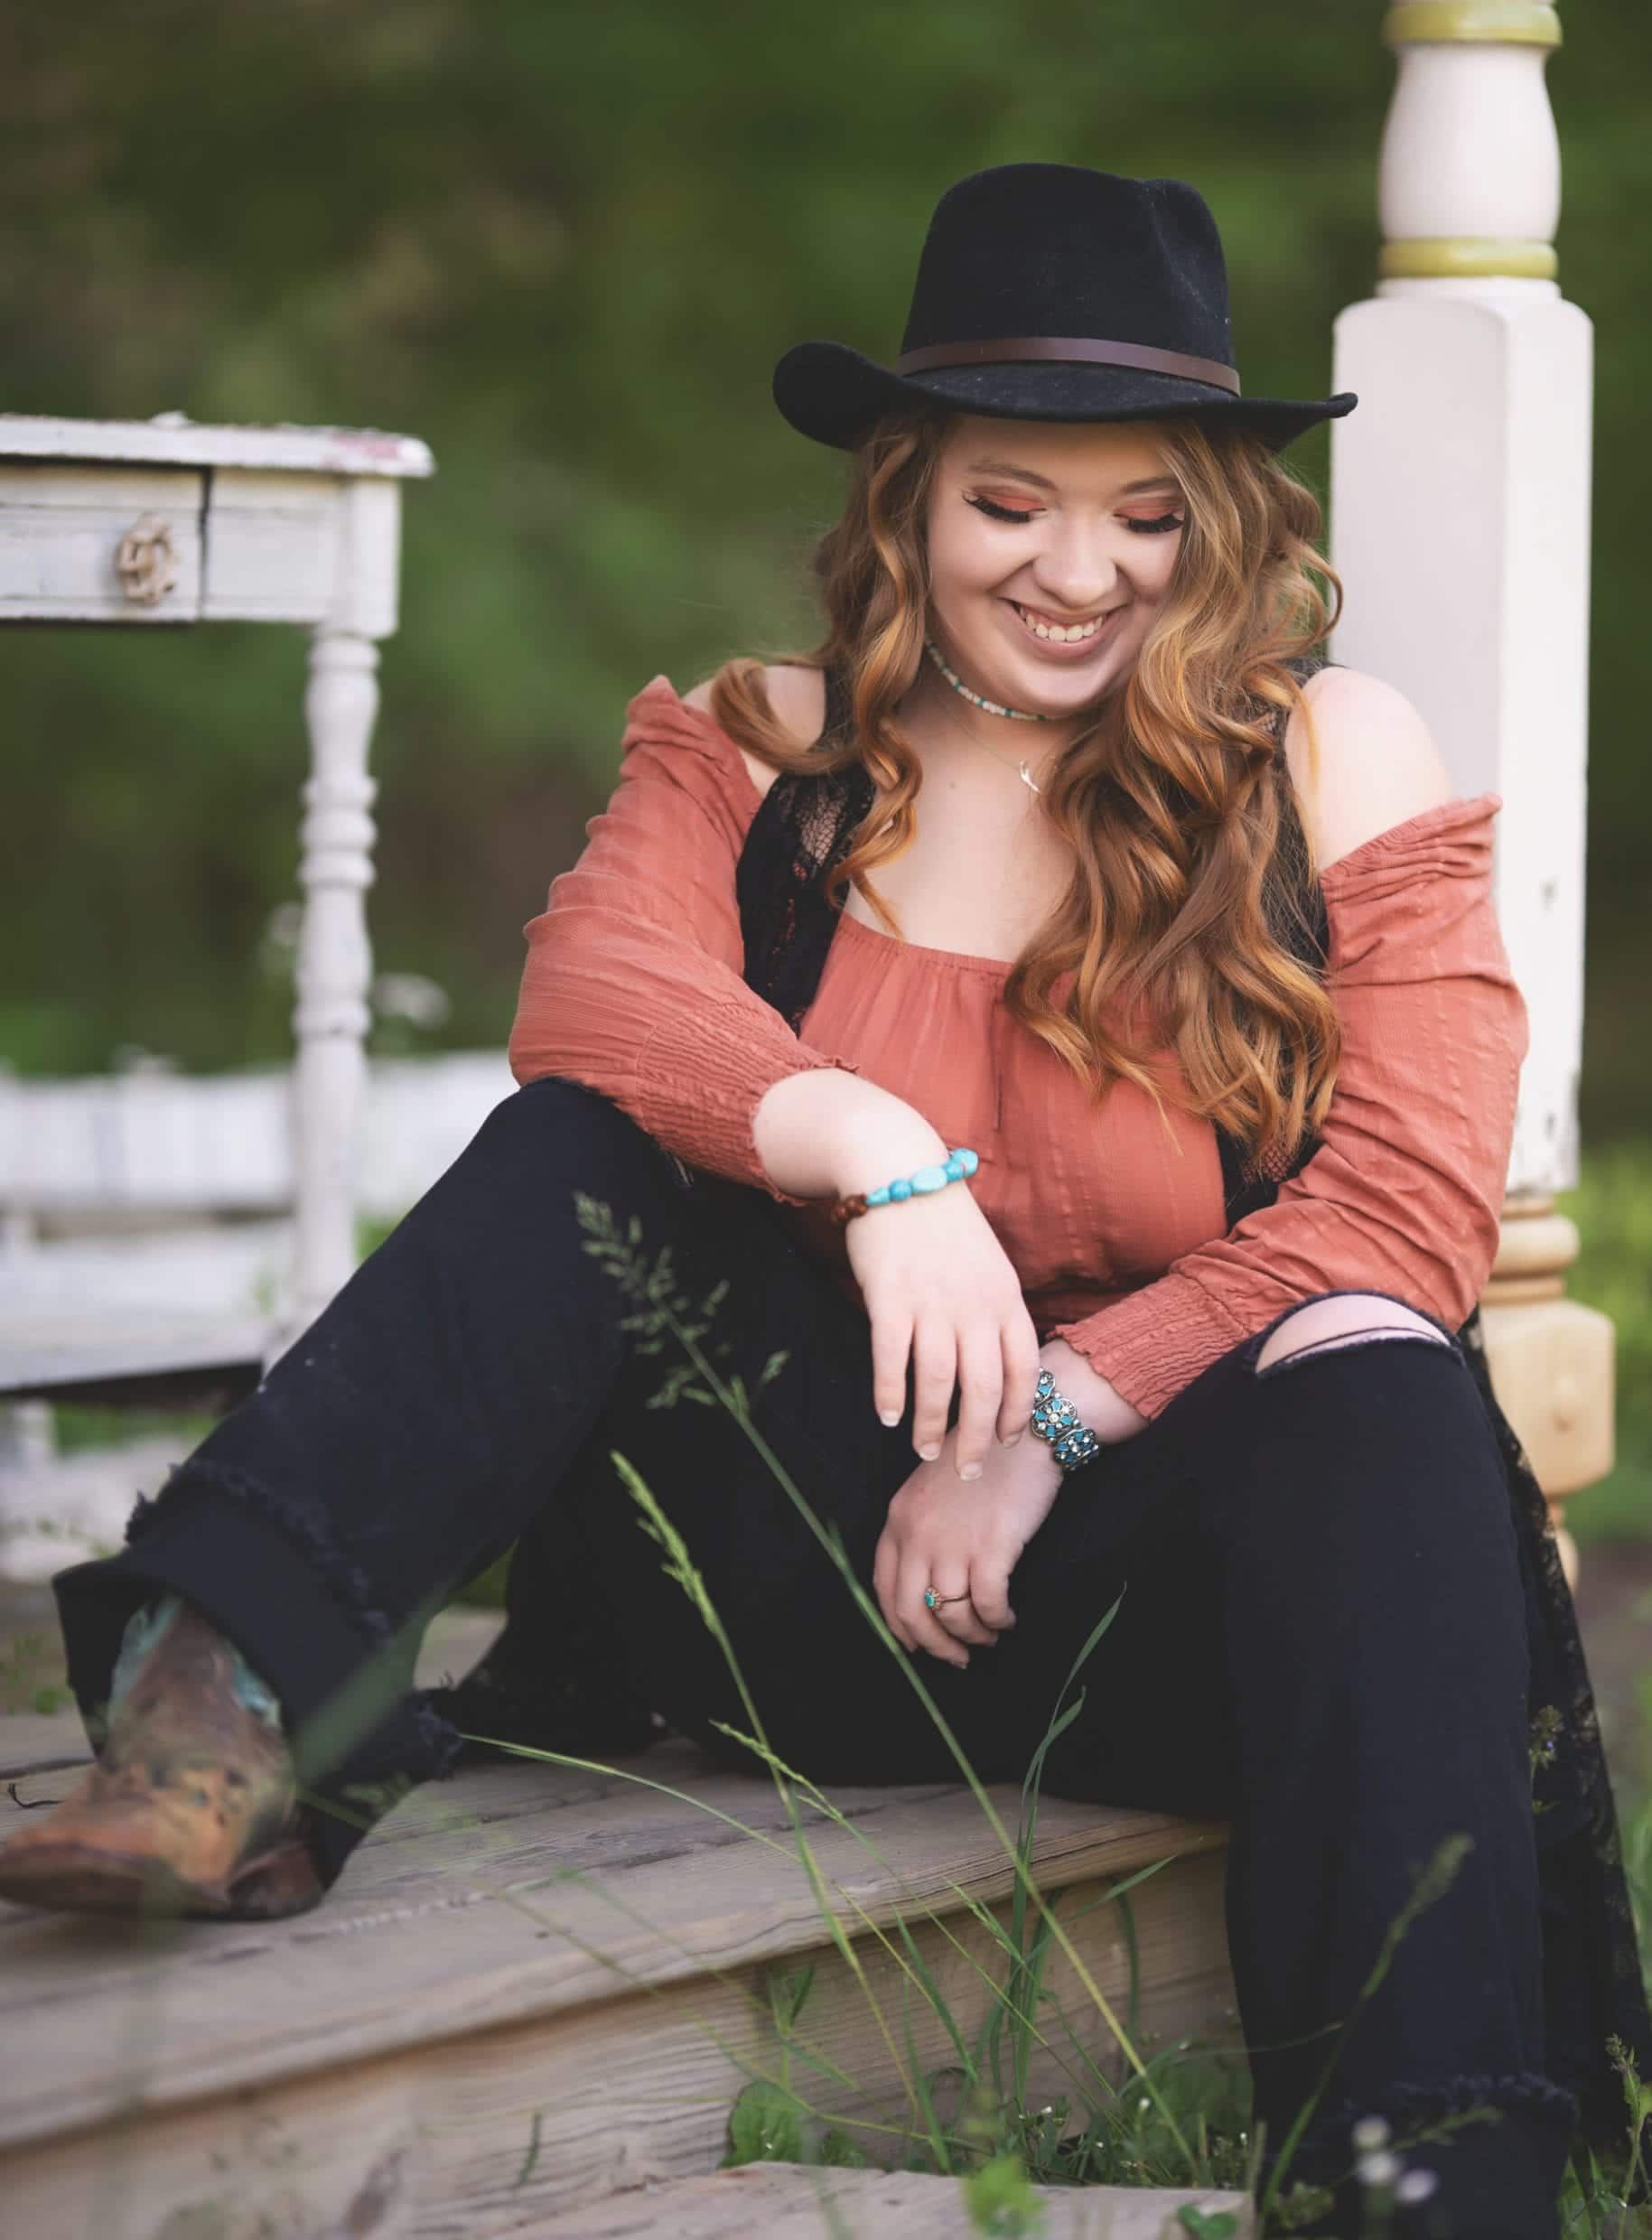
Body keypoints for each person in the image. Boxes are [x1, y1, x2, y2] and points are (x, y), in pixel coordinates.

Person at [2, 164, 1646, 2239]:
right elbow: (591, 991)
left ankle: (1428, 2175)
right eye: (1011, 504)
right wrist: (871, 1146)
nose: (1081, 573)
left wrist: (1051, 1421)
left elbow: (1409, 1196)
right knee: (588, 1143)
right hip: (790, 1571)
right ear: (907, 495)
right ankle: (212, 1715)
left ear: (1220, 521)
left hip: (1160, 1604)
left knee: (1379, 1361)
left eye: (1147, 514)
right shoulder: (769, 741)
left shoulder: (1324, 750)